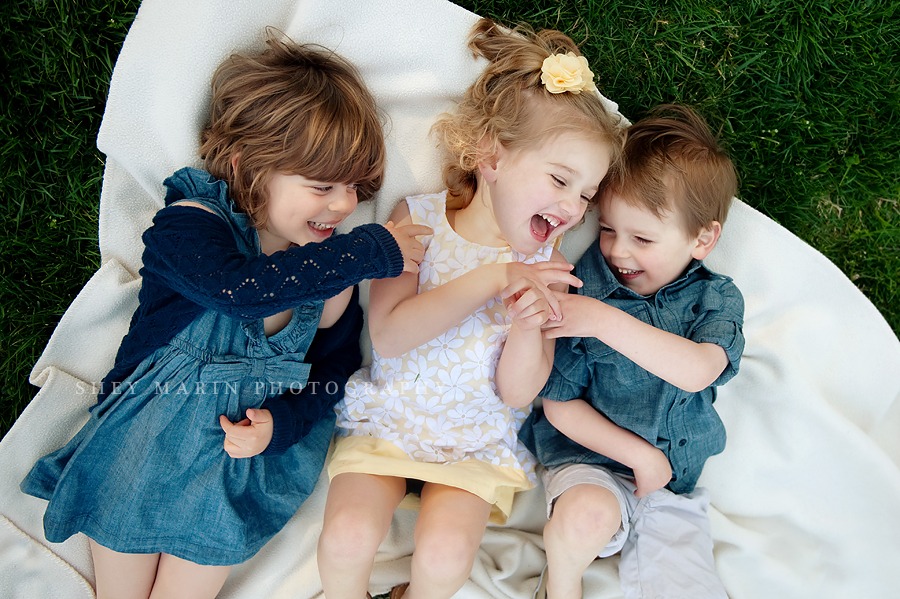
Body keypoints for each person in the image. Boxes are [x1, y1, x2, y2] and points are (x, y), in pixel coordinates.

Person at [20, 35, 429, 599]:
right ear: (246, 165)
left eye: (355, 190)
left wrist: (281, 425)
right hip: (143, 441)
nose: (342, 206)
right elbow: (240, 291)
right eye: (321, 186)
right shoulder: (192, 224)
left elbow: (332, 375)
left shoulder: (332, 282)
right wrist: (369, 249)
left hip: (231, 467)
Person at [316, 18, 623, 599]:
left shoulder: (550, 266)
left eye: (586, 195)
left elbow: (516, 394)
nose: (573, 208)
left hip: (474, 441)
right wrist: (495, 277)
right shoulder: (419, 220)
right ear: (492, 156)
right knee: (348, 536)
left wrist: (530, 326)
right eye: (560, 180)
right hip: (389, 420)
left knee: (446, 556)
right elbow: (390, 336)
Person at [520, 104, 745, 599]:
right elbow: (558, 404)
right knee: (585, 519)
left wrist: (603, 321)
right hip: (593, 461)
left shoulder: (715, 298)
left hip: (674, 482)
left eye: (642, 238)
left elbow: (698, 371)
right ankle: (561, 583)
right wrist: (637, 456)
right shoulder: (582, 289)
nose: (618, 251)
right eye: (606, 230)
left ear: (702, 238)